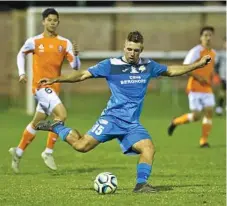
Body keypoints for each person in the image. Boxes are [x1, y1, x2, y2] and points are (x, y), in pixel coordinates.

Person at [35, 31, 211, 193]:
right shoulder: (111, 65)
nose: (132, 53)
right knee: (82, 146)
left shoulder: (148, 66)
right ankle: (57, 127)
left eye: (136, 50)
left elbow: (171, 70)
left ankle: (141, 185)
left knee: (148, 148)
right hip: (111, 119)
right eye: (129, 49)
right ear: (124, 47)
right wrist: (56, 78)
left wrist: (197, 65)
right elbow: (82, 75)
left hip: (131, 124)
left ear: (141, 50)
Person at [9, 8, 81, 173]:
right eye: (49, 20)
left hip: (54, 88)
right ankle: (48, 152)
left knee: (37, 122)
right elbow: (21, 54)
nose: (52, 23)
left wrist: (76, 55)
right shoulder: (34, 41)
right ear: (43, 22)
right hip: (40, 87)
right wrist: (22, 73)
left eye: (55, 20)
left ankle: (18, 152)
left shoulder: (64, 43)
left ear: (58, 22)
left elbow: (75, 67)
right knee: (61, 115)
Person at [168, 26, 216, 148]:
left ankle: (203, 141)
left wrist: (212, 79)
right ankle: (175, 122)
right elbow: (186, 67)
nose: (208, 37)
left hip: (207, 88)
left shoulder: (213, 53)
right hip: (194, 87)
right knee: (196, 116)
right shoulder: (196, 51)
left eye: (210, 35)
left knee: (209, 111)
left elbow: (210, 71)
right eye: (205, 35)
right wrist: (199, 78)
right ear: (201, 37)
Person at [215, 37, 226, 115]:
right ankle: (219, 107)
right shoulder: (221, 54)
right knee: (222, 91)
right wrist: (217, 73)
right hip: (224, 76)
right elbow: (216, 65)